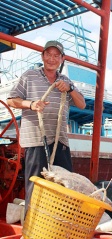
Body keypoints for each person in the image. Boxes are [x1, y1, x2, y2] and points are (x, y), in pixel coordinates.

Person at [7, 40, 86, 215]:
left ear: (62, 59)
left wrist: (70, 88)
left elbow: (81, 104)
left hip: (60, 141)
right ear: (42, 56)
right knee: (35, 186)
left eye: (56, 56)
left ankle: (58, 227)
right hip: (35, 141)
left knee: (64, 186)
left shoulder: (65, 80)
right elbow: (12, 100)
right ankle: (32, 228)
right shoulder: (29, 76)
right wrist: (32, 104)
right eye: (48, 54)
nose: (52, 59)